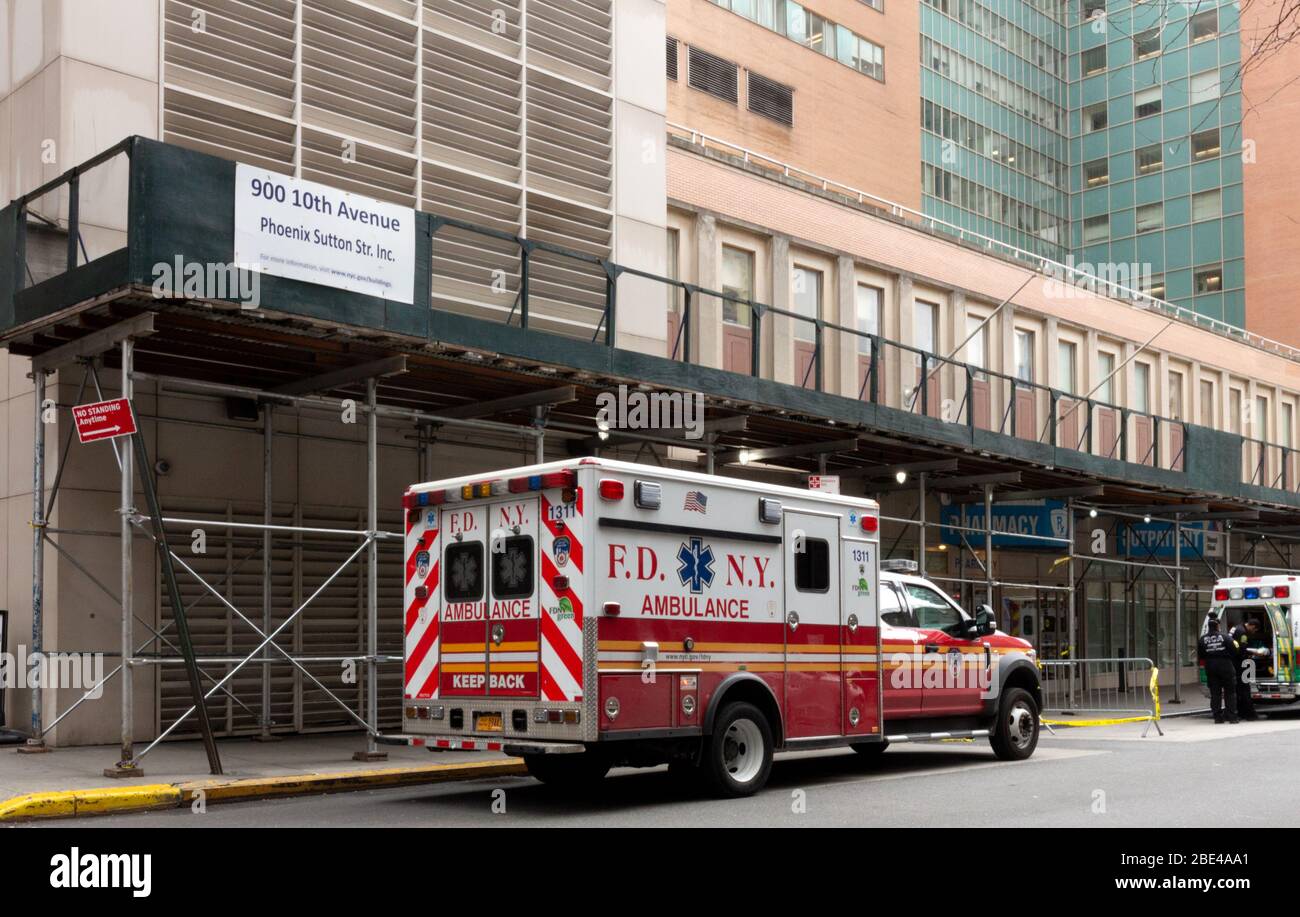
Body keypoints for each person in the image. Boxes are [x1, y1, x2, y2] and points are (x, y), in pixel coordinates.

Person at [1198, 613, 1238, 724]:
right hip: (1225, 666)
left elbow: (1201, 656)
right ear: (1218, 626)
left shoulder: (1202, 639)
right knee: (1230, 692)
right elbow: (1234, 652)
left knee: (1215, 694)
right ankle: (1232, 717)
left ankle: (1217, 718)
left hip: (1210, 667)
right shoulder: (1226, 637)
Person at [1229, 617, 1268, 722]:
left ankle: (1240, 713)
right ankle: (1250, 715)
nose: (1253, 632)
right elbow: (1241, 650)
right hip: (1239, 665)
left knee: (1237, 690)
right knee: (1245, 689)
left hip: (1232, 664)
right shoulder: (1243, 634)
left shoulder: (1236, 627)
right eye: (1254, 630)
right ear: (1252, 626)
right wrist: (1253, 653)